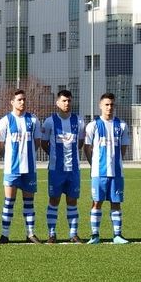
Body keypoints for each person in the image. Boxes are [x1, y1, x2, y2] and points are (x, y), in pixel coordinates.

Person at [0, 89, 42, 244]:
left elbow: (37, 142)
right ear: (12, 102)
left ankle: (30, 234)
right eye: (19, 100)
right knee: (9, 201)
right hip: (11, 169)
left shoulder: (33, 120)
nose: (22, 102)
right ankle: (4, 235)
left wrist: (28, 156)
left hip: (29, 168)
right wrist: (8, 158)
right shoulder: (5, 121)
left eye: (24, 99)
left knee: (29, 202)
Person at [84, 92, 131, 244]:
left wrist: (116, 162)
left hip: (117, 172)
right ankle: (95, 235)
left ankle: (117, 235)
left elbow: (123, 148)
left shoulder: (122, 125)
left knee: (116, 202)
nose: (109, 107)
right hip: (99, 172)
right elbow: (87, 147)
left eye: (111, 104)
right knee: (96, 202)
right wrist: (94, 164)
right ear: (100, 106)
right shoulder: (93, 126)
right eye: (106, 104)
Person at [40, 90, 85, 244]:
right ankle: (52, 234)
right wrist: (54, 155)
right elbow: (44, 143)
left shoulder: (79, 121)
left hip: (73, 169)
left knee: (72, 201)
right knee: (54, 200)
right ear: (57, 103)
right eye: (64, 101)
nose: (67, 104)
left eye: (69, 101)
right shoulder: (49, 121)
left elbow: (80, 143)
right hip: (56, 169)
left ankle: (73, 234)